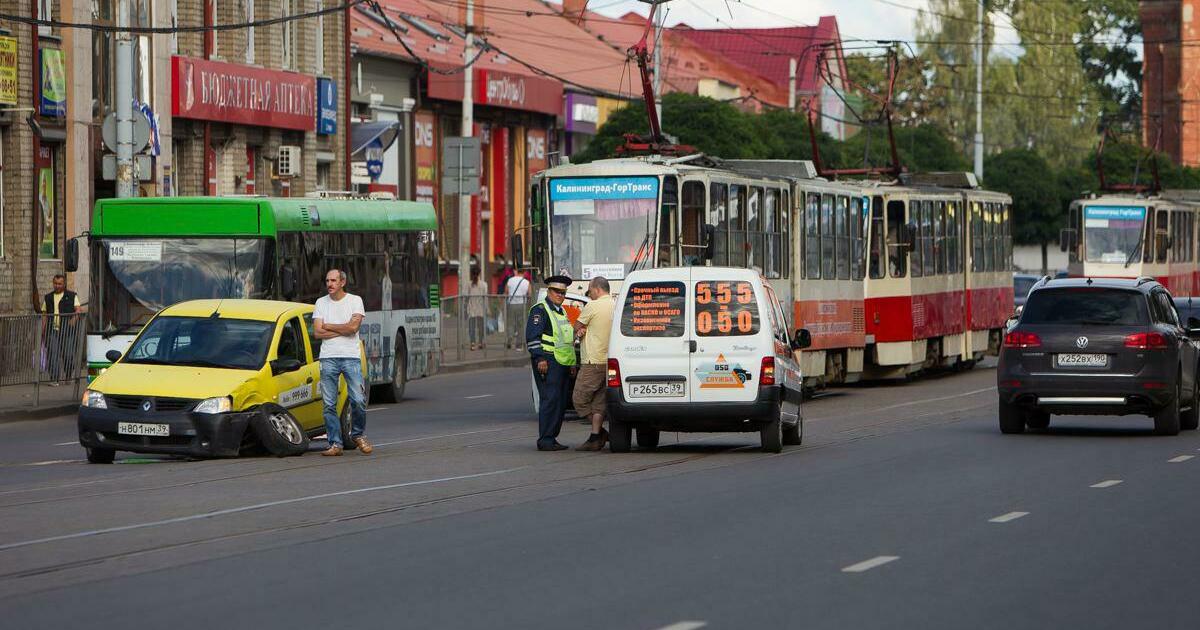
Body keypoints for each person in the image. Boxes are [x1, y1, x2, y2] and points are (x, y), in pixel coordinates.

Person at [313, 269, 371, 457]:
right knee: (329, 404)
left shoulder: (355, 301)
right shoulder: (321, 303)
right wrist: (343, 329)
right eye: (327, 280)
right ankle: (335, 444)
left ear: (342, 282)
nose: (329, 284)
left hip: (350, 357)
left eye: (333, 280)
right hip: (328, 357)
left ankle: (358, 434)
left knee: (358, 400)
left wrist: (329, 325)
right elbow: (317, 333)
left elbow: (354, 327)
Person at [526, 275, 577, 451]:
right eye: (557, 292)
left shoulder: (561, 311)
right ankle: (545, 439)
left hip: (562, 362)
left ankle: (552, 437)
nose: (560, 295)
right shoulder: (540, 310)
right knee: (550, 400)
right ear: (549, 291)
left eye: (563, 292)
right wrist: (539, 358)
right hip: (547, 361)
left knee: (561, 402)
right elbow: (533, 338)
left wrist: (571, 363)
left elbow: (566, 340)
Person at [572, 276, 614, 451]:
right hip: (610, 361)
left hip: (592, 361)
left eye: (590, 291)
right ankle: (595, 436)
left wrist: (581, 330)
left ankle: (601, 433)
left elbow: (576, 326)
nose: (590, 294)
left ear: (597, 289)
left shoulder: (592, 306)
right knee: (598, 403)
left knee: (579, 399)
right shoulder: (616, 305)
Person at [42, 274, 84, 386]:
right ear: (53, 283)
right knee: (53, 355)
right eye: (55, 283)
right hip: (52, 331)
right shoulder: (48, 297)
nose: (57, 286)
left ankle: (68, 375)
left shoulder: (72, 296)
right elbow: (45, 315)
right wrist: (43, 331)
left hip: (68, 331)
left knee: (68, 355)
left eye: (59, 284)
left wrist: (74, 319)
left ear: (64, 284)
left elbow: (78, 310)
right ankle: (54, 379)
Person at [504, 270, 531, 349]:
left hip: (511, 304)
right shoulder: (526, 282)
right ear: (524, 272)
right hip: (522, 305)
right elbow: (529, 294)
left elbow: (506, 292)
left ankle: (510, 340)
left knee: (510, 323)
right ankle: (519, 344)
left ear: (516, 271)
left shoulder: (510, 280)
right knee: (521, 325)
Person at [466, 267, 488, 351]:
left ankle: (472, 344)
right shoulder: (484, 284)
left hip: (471, 308)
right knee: (481, 327)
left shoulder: (469, 284)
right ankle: (481, 343)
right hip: (481, 308)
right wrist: (487, 308)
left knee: (471, 327)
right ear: (479, 273)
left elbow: (466, 297)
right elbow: (485, 298)